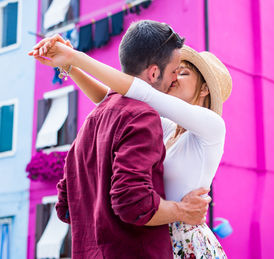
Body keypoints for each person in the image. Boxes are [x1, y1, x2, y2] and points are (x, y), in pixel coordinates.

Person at [30, 20, 232, 258]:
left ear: (205, 89)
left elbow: (139, 91)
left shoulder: (212, 127)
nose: (175, 77)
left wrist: (74, 57)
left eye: (183, 72)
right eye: (175, 70)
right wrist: (71, 67)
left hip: (186, 242)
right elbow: (111, 99)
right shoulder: (167, 128)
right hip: (158, 230)